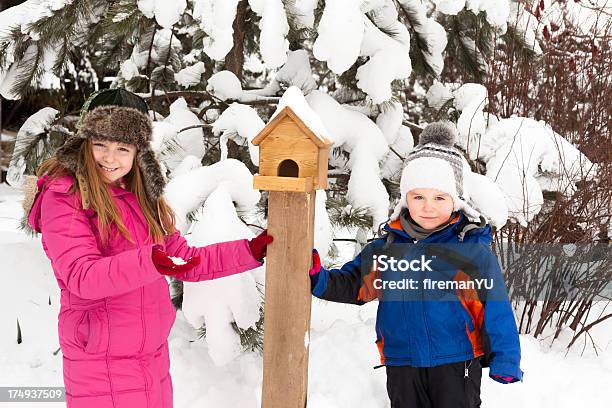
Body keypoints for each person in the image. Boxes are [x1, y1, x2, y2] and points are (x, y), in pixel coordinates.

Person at [24, 97, 273, 408]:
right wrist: (149, 261)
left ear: (138, 151)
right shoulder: (66, 197)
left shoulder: (142, 198)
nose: (110, 158)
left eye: (123, 148)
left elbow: (184, 260)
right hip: (101, 364)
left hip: (150, 358)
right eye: (101, 144)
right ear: (85, 142)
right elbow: (81, 275)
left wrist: (249, 251)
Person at [308, 122, 522, 408]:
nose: (427, 206)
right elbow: (354, 285)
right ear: (405, 198)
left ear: (456, 201)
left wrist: (506, 359)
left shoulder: (471, 253)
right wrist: (318, 278)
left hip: (456, 363)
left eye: (439, 197)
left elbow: (496, 309)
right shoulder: (386, 251)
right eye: (418, 196)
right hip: (402, 362)